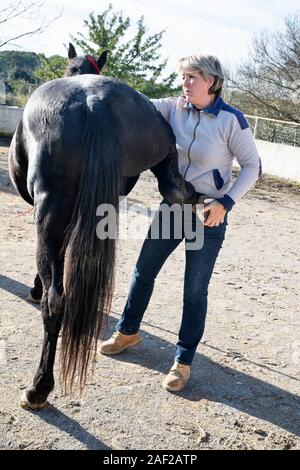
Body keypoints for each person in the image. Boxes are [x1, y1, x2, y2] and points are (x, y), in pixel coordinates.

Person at [99, 55, 262, 392]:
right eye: (183, 76)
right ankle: (128, 332)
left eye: (192, 77)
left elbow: (252, 166)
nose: (184, 83)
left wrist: (226, 203)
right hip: (173, 208)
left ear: (212, 82)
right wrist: (100, 82)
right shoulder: (174, 107)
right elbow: (136, 102)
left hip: (207, 216)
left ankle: (183, 361)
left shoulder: (233, 121)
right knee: (143, 272)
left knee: (193, 291)